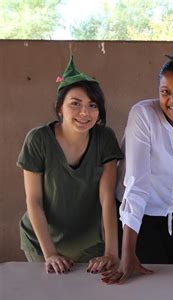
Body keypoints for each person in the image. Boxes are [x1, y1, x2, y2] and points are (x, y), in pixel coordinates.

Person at [101, 26, 173, 284]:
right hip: (139, 219)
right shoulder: (143, 116)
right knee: (145, 286)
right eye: (166, 92)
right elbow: (136, 184)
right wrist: (127, 252)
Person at [17, 56, 123, 275]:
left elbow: (107, 199)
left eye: (92, 105)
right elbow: (34, 201)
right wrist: (50, 254)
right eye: (75, 103)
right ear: (59, 108)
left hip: (90, 244)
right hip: (42, 242)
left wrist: (112, 252)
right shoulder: (38, 140)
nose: (84, 112)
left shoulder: (104, 138)